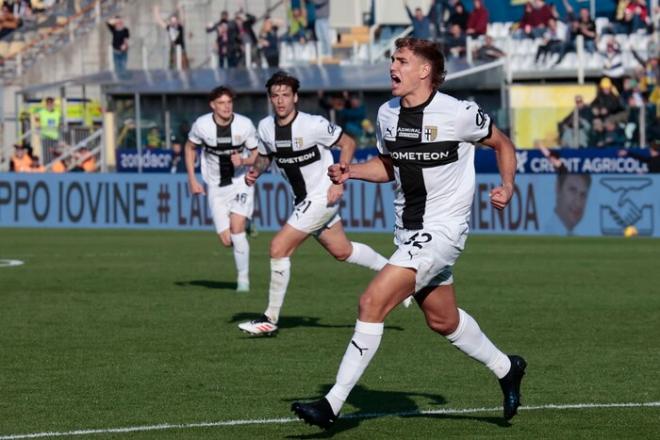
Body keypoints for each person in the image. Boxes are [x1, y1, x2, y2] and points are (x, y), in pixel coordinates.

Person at [291, 38, 526, 429]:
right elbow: (388, 165)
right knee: (443, 320)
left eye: (401, 60)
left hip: (444, 230)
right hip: (408, 233)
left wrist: (507, 185)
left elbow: (502, 144)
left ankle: (331, 405)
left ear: (425, 71)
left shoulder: (459, 113)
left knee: (372, 301)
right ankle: (507, 368)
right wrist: (353, 173)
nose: (392, 67)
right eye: (392, 60)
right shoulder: (387, 114)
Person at [237, 71, 388, 336]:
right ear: (270, 99)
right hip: (303, 200)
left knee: (278, 247)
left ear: (295, 97)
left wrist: (339, 182)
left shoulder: (313, 125)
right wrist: (256, 171)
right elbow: (264, 156)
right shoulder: (265, 128)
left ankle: (269, 319)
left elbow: (348, 143)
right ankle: (396, 274)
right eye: (275, 96)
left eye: (286, 95)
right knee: (343, 251)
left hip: (322, 195)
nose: (281, 100)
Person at [185, 86, 259, 292]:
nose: (226, 107)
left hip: (241, 182)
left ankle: (243, 281)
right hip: (215, 186)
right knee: (227, 241)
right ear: (213, 106)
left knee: (236, 228)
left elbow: (258, 156)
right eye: (221, 103)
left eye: (229, 102)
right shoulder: (202, 125)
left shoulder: (244, 125)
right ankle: (247, 225)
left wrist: (243, 160)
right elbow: (189, 148)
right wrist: (192, 179)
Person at [153, 4, 189, 70]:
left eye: (175, 21)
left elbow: (183, 19)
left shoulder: (180, 27)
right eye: (172, 21)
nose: (174, 23)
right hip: (174, 50)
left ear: (177, 22)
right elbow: (159, 21)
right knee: (173, 67)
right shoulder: (170, 28)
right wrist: (156, 12)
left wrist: (180, 10)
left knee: (183, 67)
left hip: (181, 50)